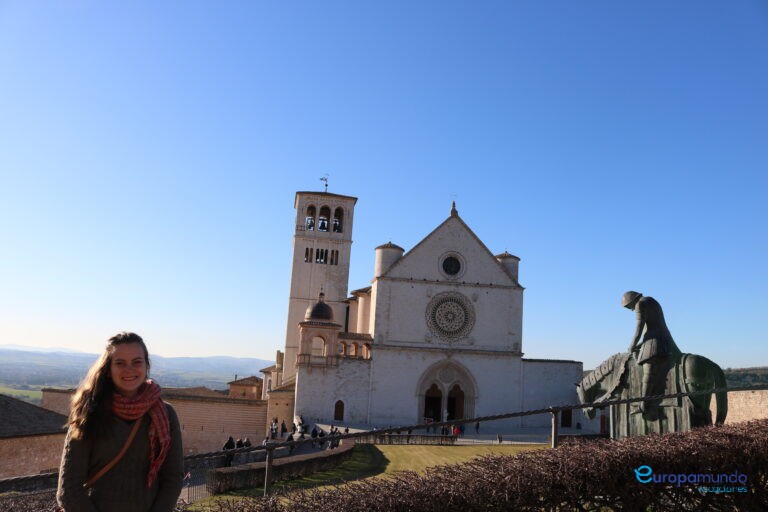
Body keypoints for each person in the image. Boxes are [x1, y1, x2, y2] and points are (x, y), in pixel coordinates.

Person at [56, 332, 183, 512]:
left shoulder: (166, 414)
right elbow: (69, 489)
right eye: (120, 363)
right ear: (108, 369)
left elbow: (172, 478)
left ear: (146, 365)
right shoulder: (89, 412)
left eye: (137, 362)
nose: (129, 369)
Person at [622, 291, 682, 414]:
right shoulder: (652, 300)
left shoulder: (640, 304)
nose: (631, 310)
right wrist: (638, 345)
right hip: (663, 337)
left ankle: (644, 405)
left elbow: (639, 328)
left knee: (648, 367)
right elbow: (651, 327)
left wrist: (632, 345)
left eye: (629, 307)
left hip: (656, 341)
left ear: (632, 301)